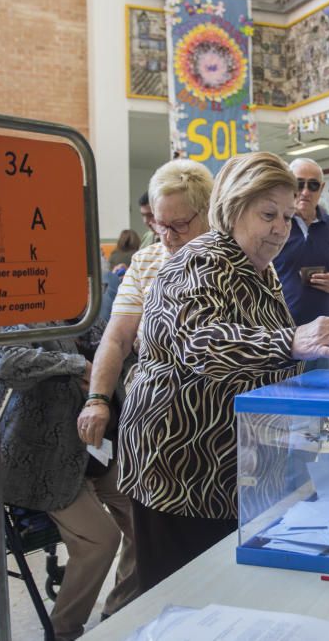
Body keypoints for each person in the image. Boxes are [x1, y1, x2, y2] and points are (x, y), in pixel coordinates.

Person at [114, 152, 329, 594]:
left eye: (286, 215)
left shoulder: (259, 272)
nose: (281, 228)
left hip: (233, 466)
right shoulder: (200, 260)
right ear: (234, 206)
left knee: (220, 591)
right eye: (268, 215)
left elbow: (265, 361)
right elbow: (199, 343)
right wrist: (291, 341)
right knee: (179, 596)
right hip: (181, 468)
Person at [0, 323, 136, 641]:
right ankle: (63, 630)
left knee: (147, 521)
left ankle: (121, 607)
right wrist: (78, 365)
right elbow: (7, 364)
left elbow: (120, 354)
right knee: (100, 540)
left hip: (99, 451)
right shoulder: (25, 316)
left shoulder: (90, 320)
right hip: (44, 459)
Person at [77, 159, 213, 448]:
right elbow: (117, 337)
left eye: (180, 225)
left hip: (215, 415)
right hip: (155, 412)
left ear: (208, 214)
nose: (168, 237)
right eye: (159, 224)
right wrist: (97, 399)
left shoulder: (236, 261)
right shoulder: (145, 261)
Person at [273, 158, 329, 327]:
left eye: (313, 185)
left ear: (322, 188)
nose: (305, 191)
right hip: (281, 333)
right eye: (299, 184)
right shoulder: (275, 223)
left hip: (324, 332)